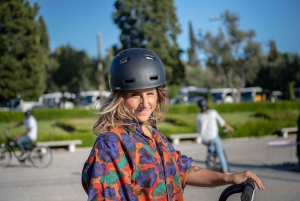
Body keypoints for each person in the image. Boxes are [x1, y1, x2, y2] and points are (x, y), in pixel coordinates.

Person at [81, 48, 264, 201]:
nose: (145, 103)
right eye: (135, 95)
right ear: (120, 98)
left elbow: (182, 168)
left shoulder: (152, 133)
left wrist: (229, 178)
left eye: (150, 94)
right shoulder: (111, 143)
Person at [196, 98, 234, 174]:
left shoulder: (199, 116)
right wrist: (229, 128)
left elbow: (199, 129)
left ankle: (211, 168)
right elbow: (222, 122)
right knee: (220, 153)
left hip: (205, 139)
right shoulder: (213, 112)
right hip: (214, 137)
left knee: (210, 153)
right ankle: (225, 171)